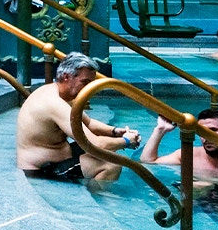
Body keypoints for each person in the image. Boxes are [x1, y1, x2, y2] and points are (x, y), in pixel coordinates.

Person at [15, 52, 140, 183]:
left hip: (58, 156)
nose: (89, 89)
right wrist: (127, 141)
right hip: (40, 169)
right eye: (85, 82)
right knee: (112, 165)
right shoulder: (54, 103)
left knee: (110, 149)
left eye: (91, 84)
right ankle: (99, 194)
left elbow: (89, 123)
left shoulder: (61, 94)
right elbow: (94, 144)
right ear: (66, 77)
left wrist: (115, 132)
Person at [140, 108, 218, 193]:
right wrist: (160, 130)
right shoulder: (189, 155)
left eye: (213, 131)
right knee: (202, 185)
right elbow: (148, 161)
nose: (207, 138)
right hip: (195, 196)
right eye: (202, 133)